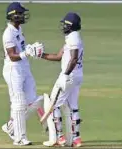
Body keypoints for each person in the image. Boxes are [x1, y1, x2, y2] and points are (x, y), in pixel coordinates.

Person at [32, 12, 84, 147]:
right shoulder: (73, 37)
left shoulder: (73, 38)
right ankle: (76, 139)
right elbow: (58, 56)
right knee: (73, 106)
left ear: (71, 25)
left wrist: (65, 75)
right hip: (77, 76)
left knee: (52, 105)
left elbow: (73, 59)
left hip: (69, 75)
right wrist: (40, 55)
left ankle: (59, 137)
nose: (63, 26)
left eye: (65, 24)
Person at [1, 2, 45, 146]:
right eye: (20, 13)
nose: (23, 16)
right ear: (13, 16)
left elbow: (22, 48)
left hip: (24, 68)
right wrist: (27, 53)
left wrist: (32, 49)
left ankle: (11, 127)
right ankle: (20, 138)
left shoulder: (19, 29)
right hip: (13, 70)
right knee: (18, 104)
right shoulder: (8, 33)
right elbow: (13, 55)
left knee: (34, 101)